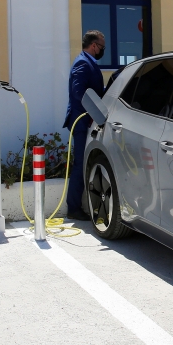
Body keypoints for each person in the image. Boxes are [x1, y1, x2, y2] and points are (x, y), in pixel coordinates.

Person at [63, 30, 106, 220]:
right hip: (81, 122)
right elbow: (79, 92)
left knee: (85, 162)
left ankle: (79, 205)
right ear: (94, 45)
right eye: (102, 46)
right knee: (80, 163)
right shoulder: (82, 62)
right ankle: (73, 207)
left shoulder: (89, 62)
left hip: (86, 121)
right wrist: (92, 113)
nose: (103, 49)